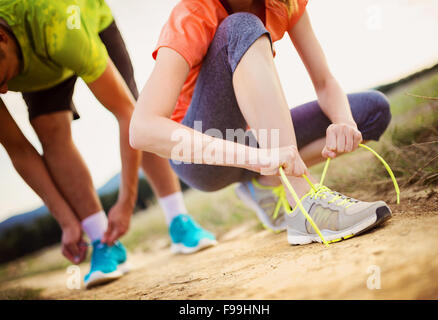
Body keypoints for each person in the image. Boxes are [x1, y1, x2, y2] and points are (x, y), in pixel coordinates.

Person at [130, 0, 393, 244]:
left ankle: (264, 185)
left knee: (372, 111)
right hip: (200, 158)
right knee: (240, 26)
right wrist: (257, 158)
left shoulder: (284, 4)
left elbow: (324, 82)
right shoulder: (192, 14)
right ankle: (303, 202)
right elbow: (142, 130)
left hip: (255, 142)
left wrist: (343, 121)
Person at [0, 0, 216, 288]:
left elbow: (129, 116)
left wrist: (126, 203)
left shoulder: (59, 26)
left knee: (142, 110)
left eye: (0, 78)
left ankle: (179, 219)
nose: (3, 90)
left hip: (82, 23)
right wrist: (65, 220)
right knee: (50, 131)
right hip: (40, 60)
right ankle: (104, 241)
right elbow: (19, 151)